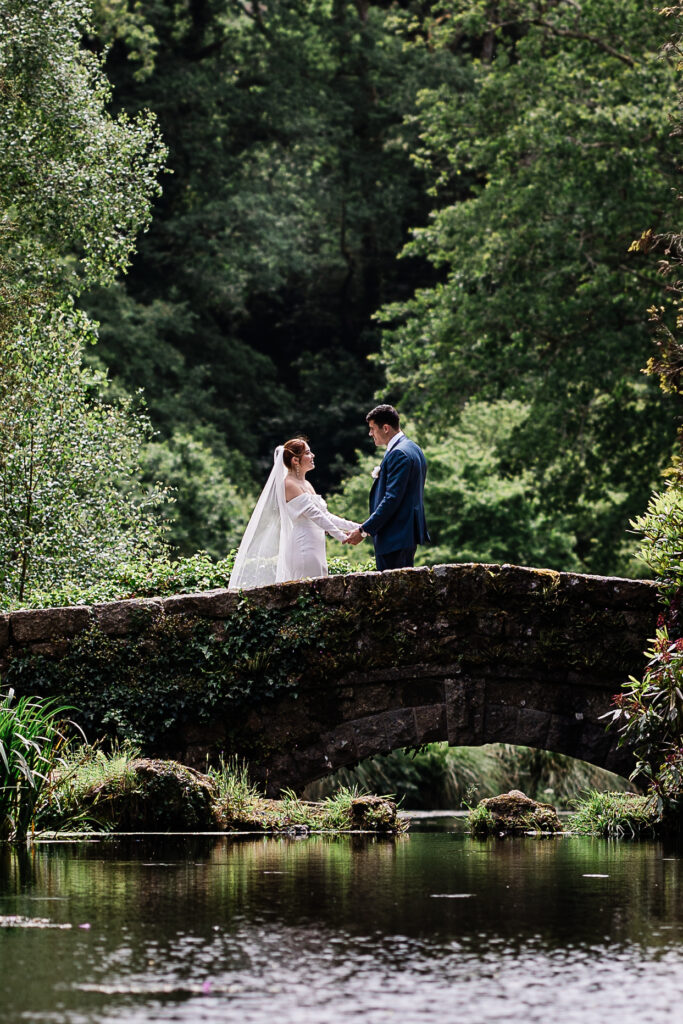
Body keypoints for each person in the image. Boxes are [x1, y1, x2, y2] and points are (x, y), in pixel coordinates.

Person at [228, 438, 359, 590]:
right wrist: (342, 537)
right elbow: (316, 515)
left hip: (316, 545)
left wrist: (360, 527)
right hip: (304, 546)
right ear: (295, 460)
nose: (313, 455)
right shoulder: (289, 484)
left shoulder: (307, 484)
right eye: (308, 453)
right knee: (310, 592)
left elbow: (326, 516)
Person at [344, 404, 429, 570]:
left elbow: (392, 498)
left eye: (372, 429)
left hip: (395, 536)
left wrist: (363, 530)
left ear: (385, 428)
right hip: (403, 535)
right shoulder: (413, 448)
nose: (370, 434)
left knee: (392, 591)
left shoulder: (399, 453)